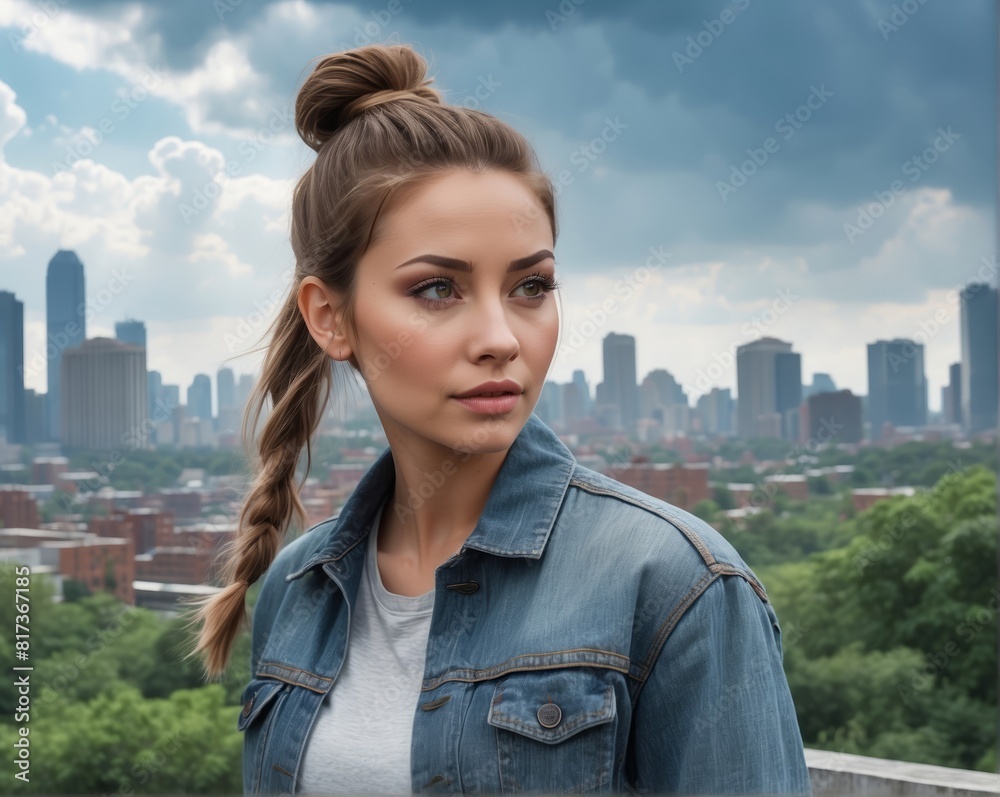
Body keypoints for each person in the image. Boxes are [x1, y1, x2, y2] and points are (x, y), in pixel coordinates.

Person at [186, 42, 813, 796]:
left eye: (531, 286)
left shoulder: (679, 585)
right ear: (330, 317)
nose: (500, 338)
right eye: (438, 289)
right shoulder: (298, 585)